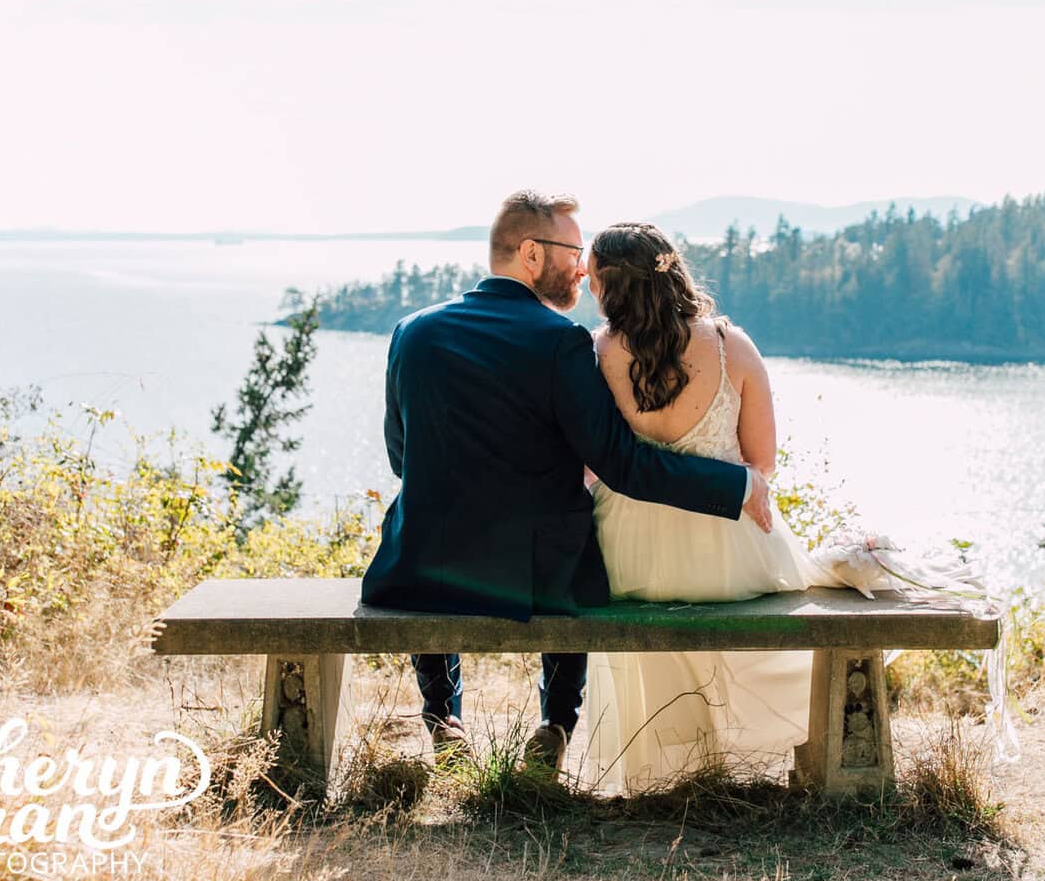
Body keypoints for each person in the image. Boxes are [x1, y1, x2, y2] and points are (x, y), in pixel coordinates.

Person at [362, 191, 775, 773]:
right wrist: (734, 486)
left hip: (420, 568)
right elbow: (621, 464)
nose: (583, 268)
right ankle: (556, 723)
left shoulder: (412, 331)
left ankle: (442, 717)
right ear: (532, 254)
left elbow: (401, 457)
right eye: (573, 251)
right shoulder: (561, 342)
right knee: (578, 545)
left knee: (428, 533)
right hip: (538, 574)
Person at [575, 221, 845, 792]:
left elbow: (591, 464)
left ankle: (661, 774)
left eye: (592, 276)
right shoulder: (730, 346)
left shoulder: (595, 354)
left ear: (610, 287)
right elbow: (762, 464)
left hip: (628, 548)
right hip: (728, 538)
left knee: (647, 643)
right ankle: (744, 762)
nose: (586, 285)